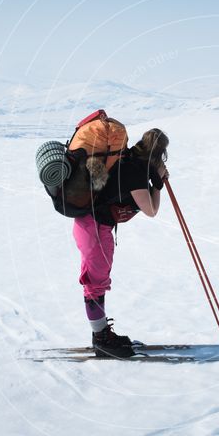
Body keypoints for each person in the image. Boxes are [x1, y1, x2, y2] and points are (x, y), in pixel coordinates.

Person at [71, 128, 170, 358]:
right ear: (159, 155)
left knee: (96, 281)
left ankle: (102, 333)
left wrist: (154, 177)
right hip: (95, 228)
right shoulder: (135, 170)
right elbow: (151, 210)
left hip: (90, 225)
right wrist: (157, 184)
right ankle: (101, 339)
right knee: (95, 284)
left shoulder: (128, 159)